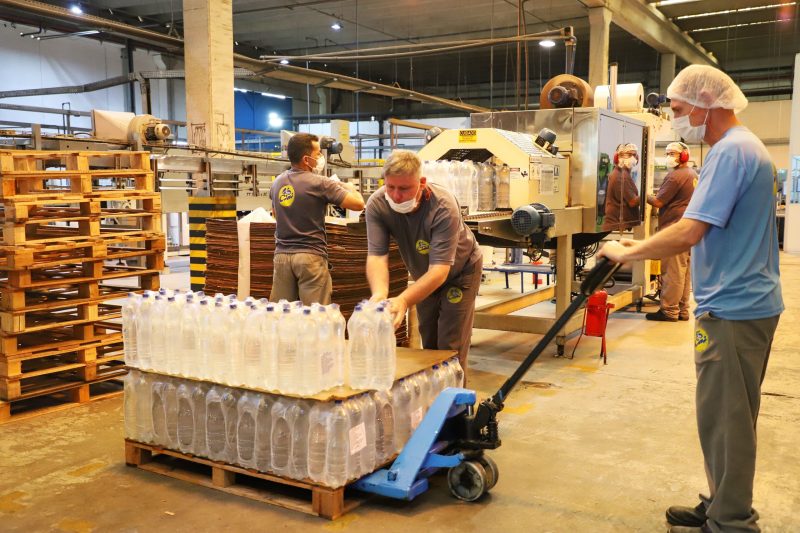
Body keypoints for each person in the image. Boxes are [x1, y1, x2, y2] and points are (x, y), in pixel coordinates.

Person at [598, 65, 783, 533]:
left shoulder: (731, 152)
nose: (676, 119)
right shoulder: (742, 148)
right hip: (741, 303)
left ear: (706, 103)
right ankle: (721, 504)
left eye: (679, 109)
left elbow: (689, 231)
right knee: (723, 418)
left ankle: (732, 522)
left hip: (734, 308)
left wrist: (627, 252)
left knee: (727, 422)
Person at [365, 150, 482, 374]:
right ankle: (433, 395)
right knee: (429, 343)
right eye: (390, 187)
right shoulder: (378, 204)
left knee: (450, 347)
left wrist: (403, 300)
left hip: (460, 273)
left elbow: (440, 271)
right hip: (424, 274)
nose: (396, 196)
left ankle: (455, 396)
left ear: (422, 183)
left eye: (404, 188)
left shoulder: (442, 206)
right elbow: (377, 256)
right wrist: (379, 294)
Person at [269, 133, 365, 305]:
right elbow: (358, 204)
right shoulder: (320, 183)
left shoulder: (277, 182)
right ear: (306, 159)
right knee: (315, 314)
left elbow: (275, 214)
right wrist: (349, 187)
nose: (321, 157)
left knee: (281, 313)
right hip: (310, 257)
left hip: (281, 257)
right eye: (318, 153)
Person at [645, 142, 698, 322]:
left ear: (684, 156)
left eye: (673, 153)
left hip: (675, 229)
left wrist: (642, 195)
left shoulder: (675, 176)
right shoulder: (692, 174)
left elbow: (658, 202)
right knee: (684, 272)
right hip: (688, 228)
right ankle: (682, 310)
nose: (669, 157)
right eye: (667, 153)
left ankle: (669, 311)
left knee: (673, 272)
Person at [601, 143, 641, 231]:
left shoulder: (624, 174)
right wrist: (648, 197)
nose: (632, 158)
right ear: (618, 158)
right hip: (616, 225)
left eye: (634, 155)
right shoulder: (621, 176)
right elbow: (633, 201)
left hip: (619, 224)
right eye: (628, 155)